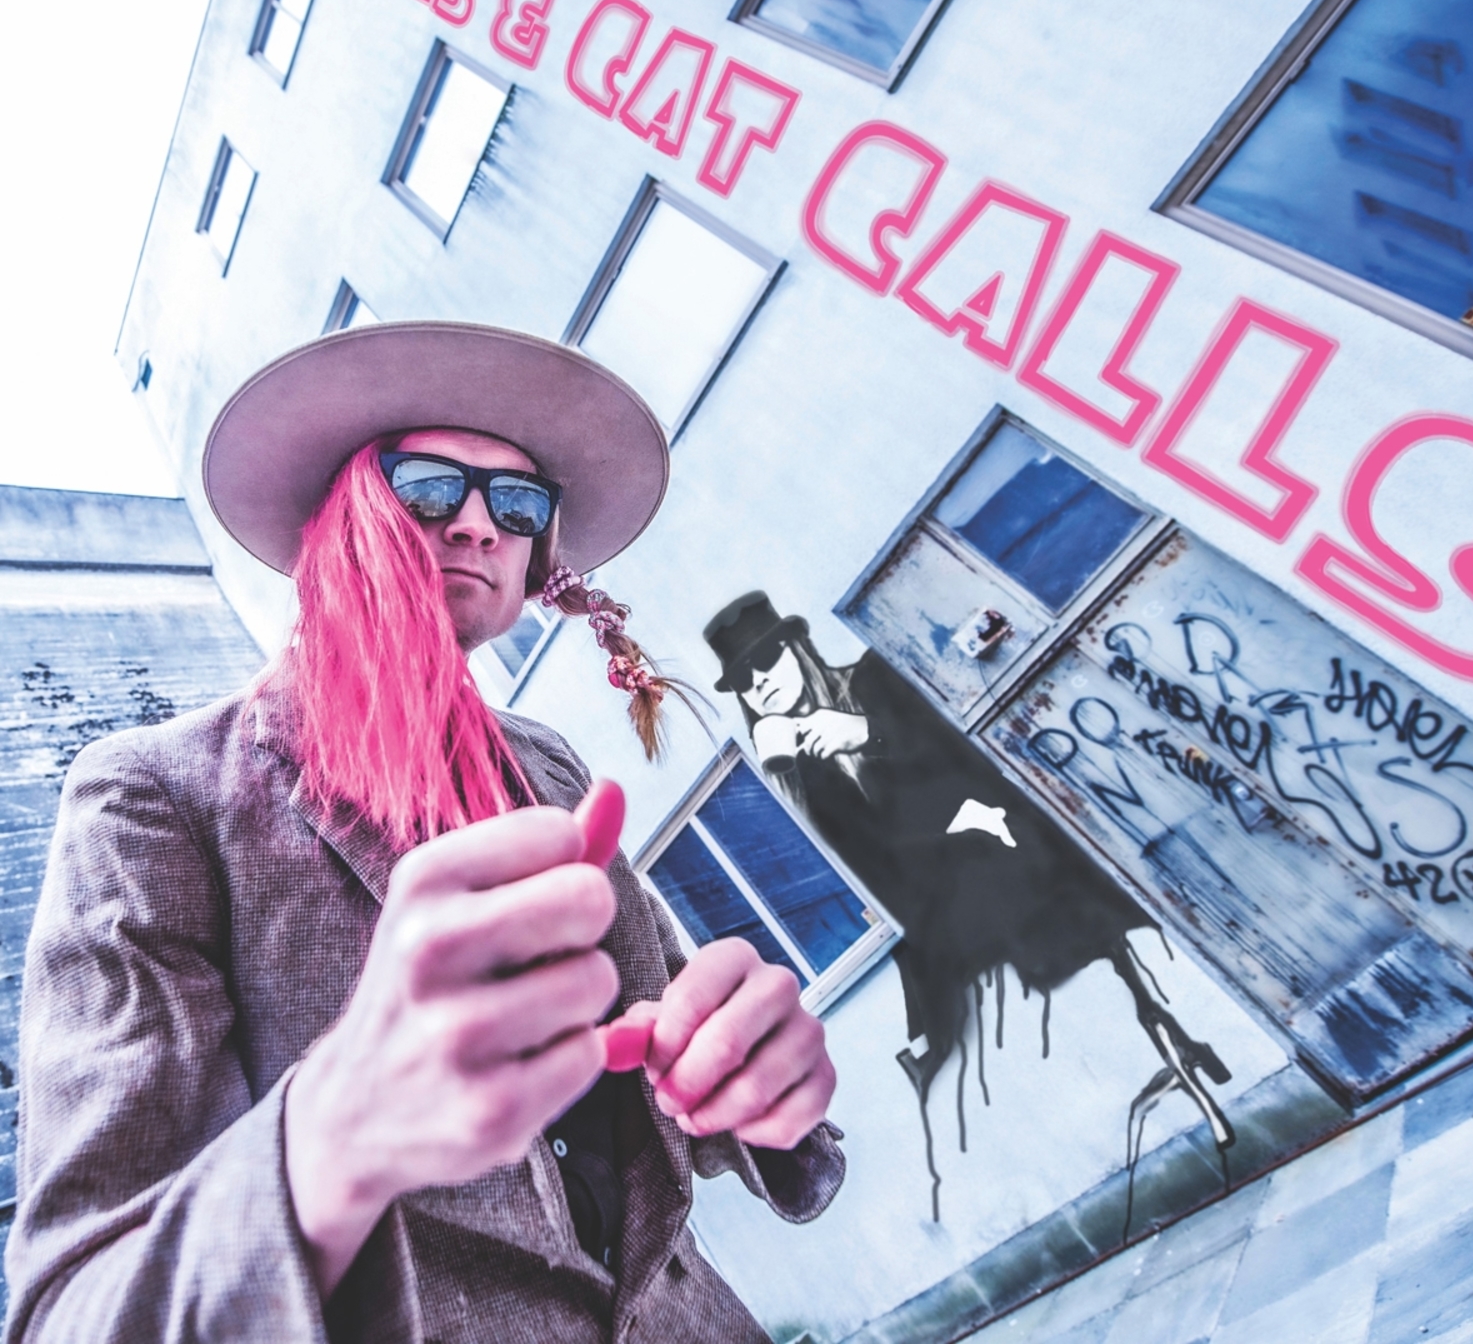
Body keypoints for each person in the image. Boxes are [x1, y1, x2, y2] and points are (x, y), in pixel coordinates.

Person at [5, 324, 842, 1344]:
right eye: (431, 486)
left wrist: (756, 1078)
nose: (480, 523)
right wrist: (341, 1128)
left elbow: (675, 1052)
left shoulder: (552, 771)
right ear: (336, 518)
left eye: (519, 503)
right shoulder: (155, 796)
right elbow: (77, 1313)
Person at [703, 592, 1232, 1223]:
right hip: (949, 936)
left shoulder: (871, 683)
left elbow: (961, 753)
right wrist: (785, 769)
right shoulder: (793, 766)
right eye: (744, 680)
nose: (759, 685)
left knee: (1109, 981)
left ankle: (1185, 1069)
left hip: (1022, 886)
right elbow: (857, 869)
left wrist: (864, 732)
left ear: (797, 648)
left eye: (766, 663)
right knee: (983, 1069)